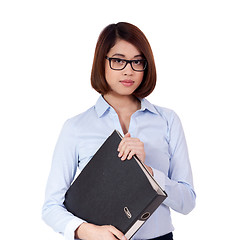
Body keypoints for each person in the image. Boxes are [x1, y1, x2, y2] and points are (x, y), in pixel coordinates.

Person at [42, 22, 196, 240]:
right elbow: (51, 207)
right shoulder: (76, 127)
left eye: (137, 62)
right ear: (102, 62)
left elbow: (187, 202)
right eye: (118, 60)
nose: (128, 70)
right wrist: (87, 231)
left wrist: (149, 174)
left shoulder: (168, 121)